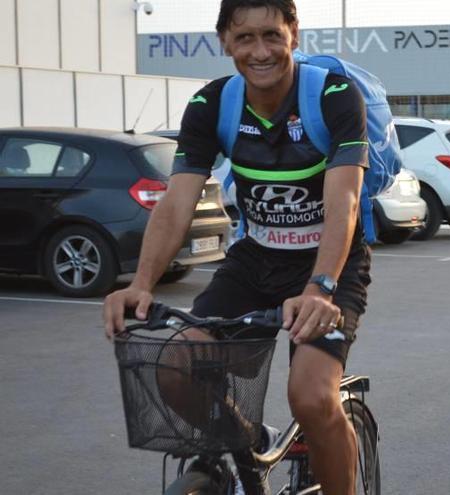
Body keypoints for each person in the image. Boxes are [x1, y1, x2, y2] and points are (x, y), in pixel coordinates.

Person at [103, 1, 370, 494]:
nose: (260, 50)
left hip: (327, 264)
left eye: (272, 35)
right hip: (255, 259)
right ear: (225, 40)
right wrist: (140, 283)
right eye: (244, 38)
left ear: (293, 33)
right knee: (177, 370)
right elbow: (177, 202)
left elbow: (344, 202)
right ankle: (251, 440)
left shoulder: (333, 95)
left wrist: (320, 286)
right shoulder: (212, 104)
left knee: (311, 399)